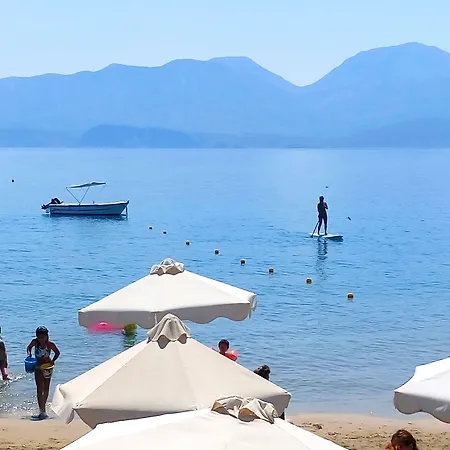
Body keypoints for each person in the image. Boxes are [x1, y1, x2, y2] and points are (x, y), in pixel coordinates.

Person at [26, 326, 60, 420]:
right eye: (39, 337)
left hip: (47, 367)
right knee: (39, 388)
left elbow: (57, 353)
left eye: (43, 337)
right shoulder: (35, 342)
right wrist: (29, 354)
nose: (41, 339)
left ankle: (43, 408)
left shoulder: (50, 344)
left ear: (47, 336)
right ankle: (42, 410)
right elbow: (29, 347)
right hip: (37, 366)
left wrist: (53, 360)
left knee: (46, 387)